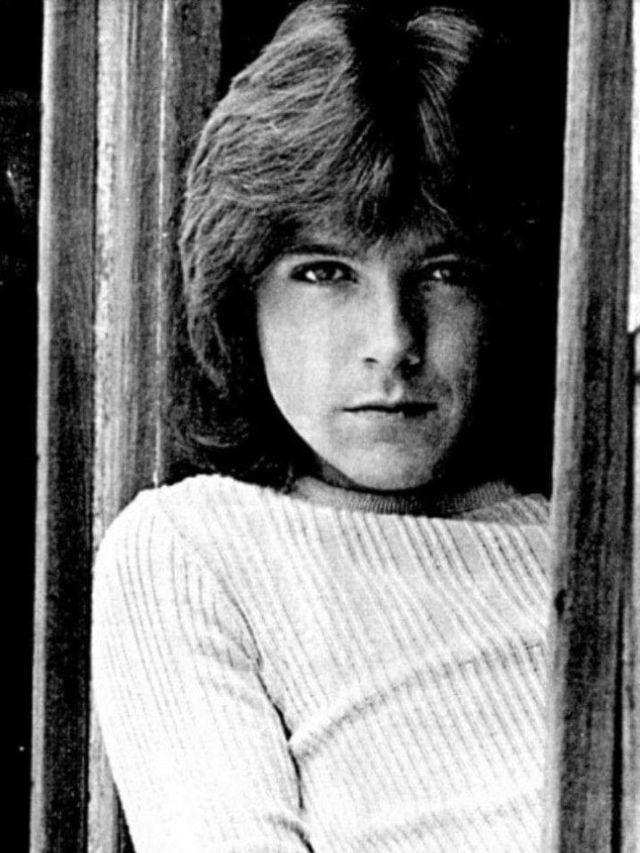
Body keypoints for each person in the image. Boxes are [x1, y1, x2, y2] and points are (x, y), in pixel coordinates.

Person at [92, 2, 553, 850]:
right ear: (243, 295)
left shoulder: (580, 539)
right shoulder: (196, 548)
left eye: (444, 272)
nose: (394, 340)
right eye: (326, 272)